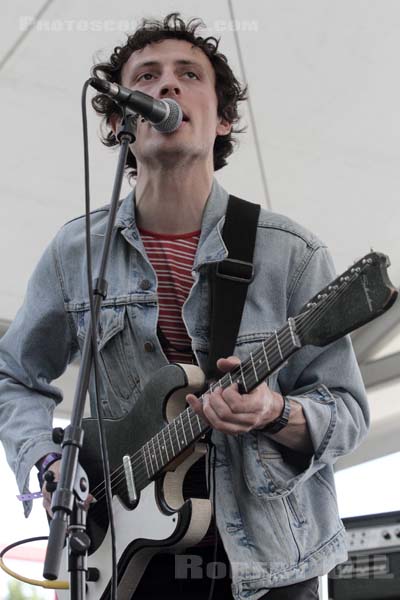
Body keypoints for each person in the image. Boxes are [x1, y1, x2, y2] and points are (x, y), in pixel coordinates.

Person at [0, 13, 369, 600]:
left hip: (269, 566)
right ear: (120, 118)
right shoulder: (78, 251)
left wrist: (274, 411)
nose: (166, 86)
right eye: (145, 76)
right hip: (123, 560)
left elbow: (346, 413)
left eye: (187, 75)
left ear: (222, 118)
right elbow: (14, 374)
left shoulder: (291, 253)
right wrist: (49, 467)